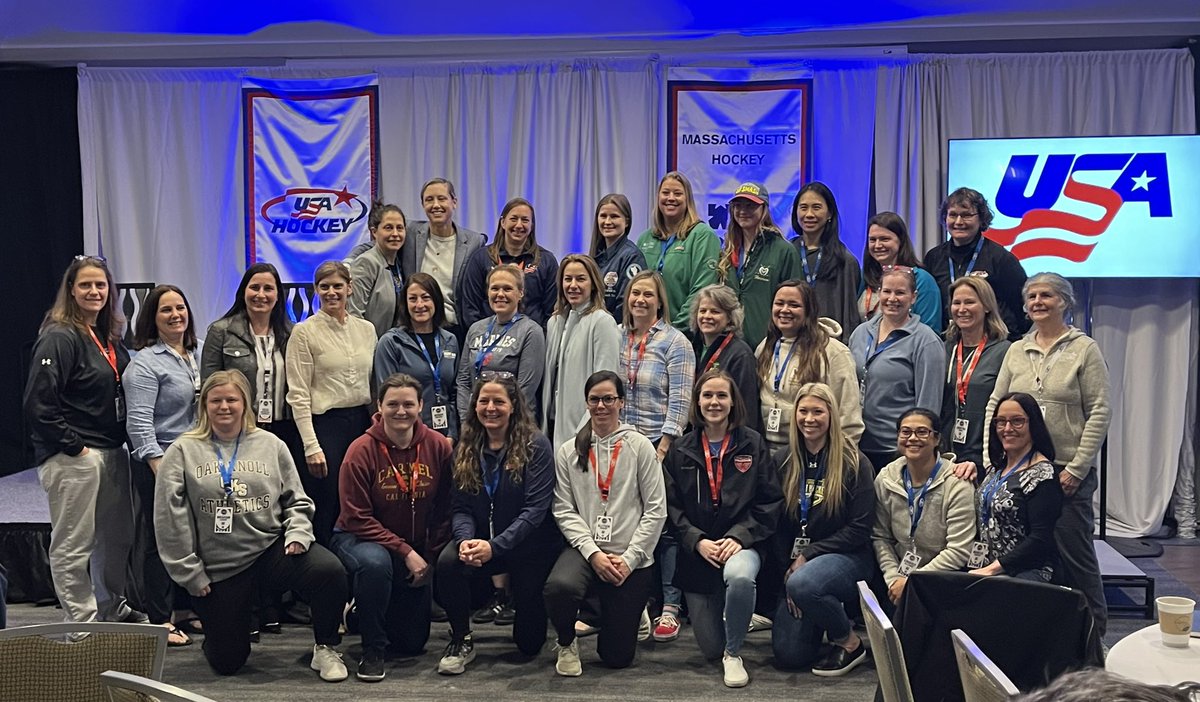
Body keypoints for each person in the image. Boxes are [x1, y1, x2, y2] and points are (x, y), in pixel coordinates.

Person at [155, 370, 349, 680]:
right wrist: (189, 572)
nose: (224, 407)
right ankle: (224, 630)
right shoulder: (182, 450)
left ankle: (325, 647)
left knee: (330, 571)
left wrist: (298, 531)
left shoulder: (270, 444)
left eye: (232, 399)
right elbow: (169, 518)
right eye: (215, 400)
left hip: (269, 550)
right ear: (204, 405)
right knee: (228, 662)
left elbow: (297, 499)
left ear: (246, 404)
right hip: (219, 565)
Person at [984, 273, 1111, 633]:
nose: (1038, 302)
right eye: (1032, 296)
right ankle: (1047, 637)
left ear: (1065, 302)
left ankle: (1095, 637)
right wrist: (991, 461)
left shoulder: (1085, 349)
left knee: (1076, 557)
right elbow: (996, 404)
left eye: (1047, 295)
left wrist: (1077, 468)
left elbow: (1100, 410)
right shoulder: (1016, 349)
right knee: (1030, 556)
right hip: (1020, 472)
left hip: (1065, 472)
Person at [24, 255, 143, 628]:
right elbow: (38, 404)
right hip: (74, 456)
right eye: (86, 285)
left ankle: (111, 609)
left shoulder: (109, 338)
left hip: (111, 451)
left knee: (115, 540)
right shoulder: (59, 337)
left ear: (110, 292)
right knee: (73, 545)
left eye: (101, 285)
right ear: (71, 291)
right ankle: (83, 623)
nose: (94, 291)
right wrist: (75, 447)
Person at [435, 373, 561, 674]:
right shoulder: (466, 446)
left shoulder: (536, 445)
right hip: (481, 542)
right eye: (484, 401)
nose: (490, 408)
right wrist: (465, 540)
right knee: (448, 562)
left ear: (513, 406)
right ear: (475, 406)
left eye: (499, 401)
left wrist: (495, 546)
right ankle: (461, 638)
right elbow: (461, 506)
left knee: (529, 644)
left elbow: (535, 510)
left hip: (528, 546)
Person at [662, 370, 782, 687]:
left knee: (739, 576)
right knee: (708, 648)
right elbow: (670, 509)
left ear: (733, 401)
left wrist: (738, 537)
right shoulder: (681, 449)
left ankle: (734, 653)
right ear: (697, 401)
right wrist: (697, 541)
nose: (714, 402)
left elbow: (770, 501)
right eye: (707, 395)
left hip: (742, 544)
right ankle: (725, 637)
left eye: (722, 395)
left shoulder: (752, 443)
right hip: (698, 550)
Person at [331, 373, 453, 681]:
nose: (401, 411)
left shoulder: (438, 446)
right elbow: (356, 516)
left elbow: (445, 509)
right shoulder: (361, 450)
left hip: (412, 547)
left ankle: (360, 612)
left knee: (412, 644)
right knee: (375, 564)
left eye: (408, 404)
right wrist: (406, 551)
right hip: (358, 538)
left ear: (421, 406)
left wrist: (430, 555)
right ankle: (372, 650)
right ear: (379, 406)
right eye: (393, 404)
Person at [545, 371, 667, 675]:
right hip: (586, 550)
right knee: (559, 587)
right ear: (587, 404)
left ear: (621, 402)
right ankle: (566, 642)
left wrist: (629, 559)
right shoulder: (569, 450)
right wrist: (592, 552)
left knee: (616, 657)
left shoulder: (640, 447)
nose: (601, 405)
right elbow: (563, 508)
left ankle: (635, 611)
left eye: (608, 399)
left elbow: (656, 511)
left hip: (631, 556)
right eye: (594, 399)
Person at [769, 382, 875, 676]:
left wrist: (808, 558)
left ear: (832, 415)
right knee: (790, 655)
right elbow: (775, 528)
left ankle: (850, 642)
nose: (809, 419)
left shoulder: (855, 462)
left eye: (818, 411)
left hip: (849, 557)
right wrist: (788, 573)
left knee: (806, 584)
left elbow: (860, 528)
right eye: (803, 411)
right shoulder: (782, 460)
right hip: (798, 568)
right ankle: (818, 608)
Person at [123, 284, 203, 646]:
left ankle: (185, 610)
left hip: (194, 460)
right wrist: (158, 465)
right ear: (152, 319)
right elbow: (138, 421)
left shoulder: (194, 354)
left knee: (190, 537)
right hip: (159, 461)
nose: (176, 315)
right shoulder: (144, 363)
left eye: (180, 308)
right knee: (160, 541)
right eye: (166, 310)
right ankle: (159, 619)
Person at [618, 270, 694, 642]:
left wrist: (662, 448)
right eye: (635, 294)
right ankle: (636, 604)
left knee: (663, 529)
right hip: (620, 445)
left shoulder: (675, 342)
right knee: (628, 526)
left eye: (648, 295)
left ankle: (670, 606)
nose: (640, 301)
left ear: (660, 301)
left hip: (658, 448)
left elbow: (680, 400)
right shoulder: (617, 337)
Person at [286, 260, 375, 545]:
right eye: (324, 287)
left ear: (350, 288)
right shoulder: (304, 332)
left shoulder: (367, 330)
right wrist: (311, 445)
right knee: (326, 504)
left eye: (338, 286)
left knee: (361, 500)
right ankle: (323, 577)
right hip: (325, 428)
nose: (331, 292)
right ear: (316, 290)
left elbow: (373, 384)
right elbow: (298, 394)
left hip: (361, 423)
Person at [872, 408, 976, 606]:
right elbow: (880, 537)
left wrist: (913, 582)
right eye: (905, 432)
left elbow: (959, 550)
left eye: (922, 432)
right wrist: (894, 578)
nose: (912, 438)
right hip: (898, 578)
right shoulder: (886, 478)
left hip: (944, 578)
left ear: (936, 439)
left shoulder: (958, 483)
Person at [849, 266, 945, 471]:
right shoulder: (860, 333)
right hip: (857, 445)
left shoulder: (926, 341)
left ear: (913, 297)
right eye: (887, 291)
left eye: (900, 292)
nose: (892, 298)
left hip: (897, 451)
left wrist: (915, 448)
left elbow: (928, 406)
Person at [201, 263, 298, 456]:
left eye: (268, 288)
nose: (261, 295)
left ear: (278, 295)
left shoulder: (293, 333)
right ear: (243, 291)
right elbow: (209, 385)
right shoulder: (221, 332)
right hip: (240, 429)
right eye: (254, 287)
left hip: (287, 430)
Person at [755, 280, 862, 455]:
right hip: (768, 452)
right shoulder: (765, 348)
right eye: (779, 303)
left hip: (813, 454)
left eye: (794, 305)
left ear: (809, 311)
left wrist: (836, 460)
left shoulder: (833, 352)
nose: (784, 310)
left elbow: (849, 419)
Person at [972, 392, 1063, 582]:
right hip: (988, 567)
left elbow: (1041, 539)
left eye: (1017, 421)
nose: (1007, 428)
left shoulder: (1043, 475)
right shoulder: (996, 469)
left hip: (1027, 572)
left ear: (1034, 425)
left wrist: (993, 570)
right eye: (1001, 421)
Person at [923, 187, 1028, 338]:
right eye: (952, 215)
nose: (959, 222)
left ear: (981, 219)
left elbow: (1019, 309)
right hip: (948, 343)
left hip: (992, 345)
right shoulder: (934, 258)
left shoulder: (1001, 259)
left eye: (966, 215)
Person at [543, 254, 622, 449]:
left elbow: (606, 383)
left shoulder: (602, 322)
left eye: (580, 279)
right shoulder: (554, 322)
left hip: (585, 431)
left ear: (593, 283)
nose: (573, 285)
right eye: (567, 279)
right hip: (553, 425)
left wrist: (588, 428)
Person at [373, 273, 461, 444]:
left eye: (426, 298)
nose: (419, 305)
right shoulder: (391, 342)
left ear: (436, 301)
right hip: (407, 437)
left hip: (446, 438)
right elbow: (389, 400)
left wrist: (452, 434)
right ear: (405, 304)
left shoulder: (450, 340)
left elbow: (454, 393)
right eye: (413, 299)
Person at [716, 182, 801, 350]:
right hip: (730, 346)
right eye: (738, 206)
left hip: (769, 346)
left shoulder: (783, 250)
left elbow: (796, 301)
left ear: (764, 209)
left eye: (750, 206)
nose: (742, 211)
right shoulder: (727, 250)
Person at [457, 264, 546, 422]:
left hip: (515, 424)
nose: (500, 294)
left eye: (507, 289)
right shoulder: (476, 329)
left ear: (520, 293)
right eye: (494, 288)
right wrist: (467, 420)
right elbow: (464, 381)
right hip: (477, 423)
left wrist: (497, 419)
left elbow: (525, 389)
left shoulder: (531, 332)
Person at [401, 178, 485, 342]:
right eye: (429, 200)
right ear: (423, 205)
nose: (436, 205)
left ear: (454, 202)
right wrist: (349, 262)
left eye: (442, 198)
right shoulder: (410, 232)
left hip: (455, 329)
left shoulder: (475, 242)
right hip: (416, 326)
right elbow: (374, 244)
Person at [940, 276, 1011, 471]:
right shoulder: (944, 348)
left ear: (986, 306)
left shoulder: (1005, 351)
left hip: (986, 457)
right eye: (957, 303)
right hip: (945, 455)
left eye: (970, 302)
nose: (962, 309)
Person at [635, 171, 721, 329]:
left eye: (678, 193)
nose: (671, 198)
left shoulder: (702, 236)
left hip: (686, 334)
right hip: (647, 335)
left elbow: (701, 291)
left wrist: (674, 331)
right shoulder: (645, 239)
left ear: (687, 199)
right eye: (665, 193)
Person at [458, 197, 558, 329]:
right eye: (514, 218)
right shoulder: (481, 258)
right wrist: (482, 338)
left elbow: (551, 311)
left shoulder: (546, 261)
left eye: (525, 220)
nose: (518, 225)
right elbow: (470, 307)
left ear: (532, 226)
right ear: (503, 222)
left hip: (531, 339)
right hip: (488, 342)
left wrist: (539, 338)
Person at [788, 182, 862, 340]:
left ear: (829, 214)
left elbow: (850, 317)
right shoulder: (786, 253)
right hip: (790, 341)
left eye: (816, 207)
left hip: (829, 345)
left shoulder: (845, 261)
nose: (809, 214)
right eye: (803, 207)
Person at [689, 285, 760, 433]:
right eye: (702, 311)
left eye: (715, 311)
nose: (707, 316)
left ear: (730, 318)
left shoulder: (740, 354)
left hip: (730, 439)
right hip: (698, 435)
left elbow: (746, 409)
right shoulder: (692, 347)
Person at [858, 212, 942, 333]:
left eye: (884, 239)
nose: (877, 245)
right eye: (872, 240)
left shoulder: (922, 280)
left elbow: (930, 332)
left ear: (901, 241)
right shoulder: (864, 277)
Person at [348, 200, 407, 338]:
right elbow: (354, 316)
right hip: (370, 348)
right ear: (374, 232)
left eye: (400, 228)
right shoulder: (365, 263)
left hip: (394, 348)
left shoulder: (399, 263)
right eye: (388, 228)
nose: (395, 233)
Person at [589, 193, 646, 320]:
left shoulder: (632, 257)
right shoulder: (596, 256)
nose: (607, 222)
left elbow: (626, 305)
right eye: (603, 216)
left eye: (614, 216)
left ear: (626, 222)